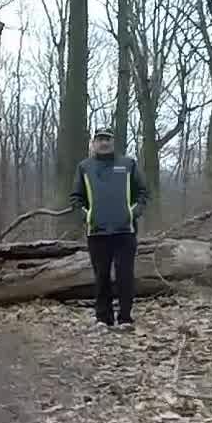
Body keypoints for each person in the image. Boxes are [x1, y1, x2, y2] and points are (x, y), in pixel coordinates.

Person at [69, 128, 149, 330]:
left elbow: (143, 192)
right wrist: (86, 216)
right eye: (100, 139)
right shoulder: (84, 167)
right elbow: (75, 198)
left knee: (125, 276)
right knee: (101, 277)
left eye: (107, 139)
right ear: (94, 143)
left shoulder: (128, 164)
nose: (103, 143)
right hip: (97, 232)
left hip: (125, 231)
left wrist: (133, 212)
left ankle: (125, 318)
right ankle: (103, 318)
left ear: (113, 142)